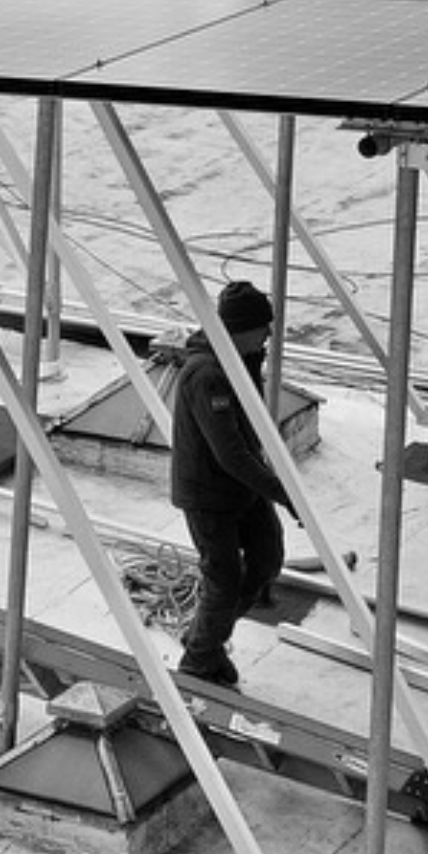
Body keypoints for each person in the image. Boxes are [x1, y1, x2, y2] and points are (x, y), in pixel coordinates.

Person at [168, 278, 294, 686]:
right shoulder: (206, 376)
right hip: (209, 495)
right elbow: (230, 452)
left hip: (240, 487)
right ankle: (198, 661)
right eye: (263, 328)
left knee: (266, 559)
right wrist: (281, 491)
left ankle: (206, 638)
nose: (270, 335)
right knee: (223, 582)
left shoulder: (240, 358)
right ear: (241, 330)